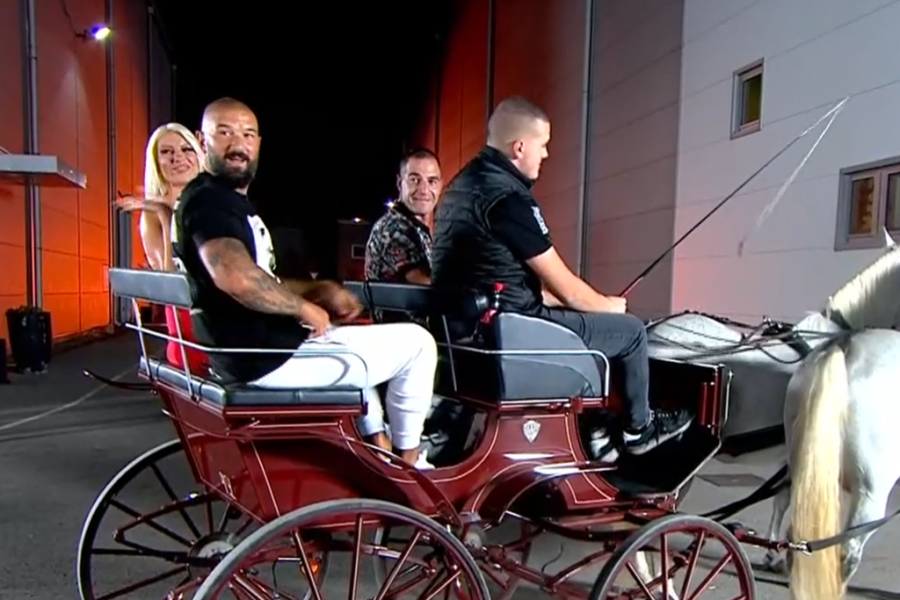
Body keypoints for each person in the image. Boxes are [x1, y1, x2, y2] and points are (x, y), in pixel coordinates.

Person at [171, 97, 436, 468]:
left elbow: (262, 278)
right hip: (266, 360)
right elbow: (236, 276)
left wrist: (317, 292)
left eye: (247, 134)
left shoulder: (222, 200)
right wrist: (303, 308)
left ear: (258, 143)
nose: (238, 144)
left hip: (258, 354)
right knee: (419, 345)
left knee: (352, 343)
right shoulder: (209, 203)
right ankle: (410, 468)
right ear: (203, 140)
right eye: (225, 133)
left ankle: (380, 450)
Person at [431, 96, 693, 457]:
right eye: (542, 145)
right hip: (511, 335)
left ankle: (597, 428)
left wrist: (577, 304)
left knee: (591, 321)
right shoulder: (508, 199)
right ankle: (639, 430)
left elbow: (502, 278)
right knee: (631, 332)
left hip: (466, 335)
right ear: (519, 147)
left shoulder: (459, 188)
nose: (546, 154)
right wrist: (608, 306)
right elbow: (570, 292)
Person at [118, 123, 209, 373]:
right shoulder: (151, 216)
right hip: (190, 337)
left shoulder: (213, 204)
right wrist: (165, 214)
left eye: (186, 149)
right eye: (167, 152)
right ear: (156, 163)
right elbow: (171, 284)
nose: (178, 157)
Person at [364, 148, 442, 284]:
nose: (424, 190)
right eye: (414, 180)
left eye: (432, 181)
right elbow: (423, 285)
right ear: (399, 183)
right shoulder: (393, 228)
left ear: (440, 185)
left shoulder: (416, 228)